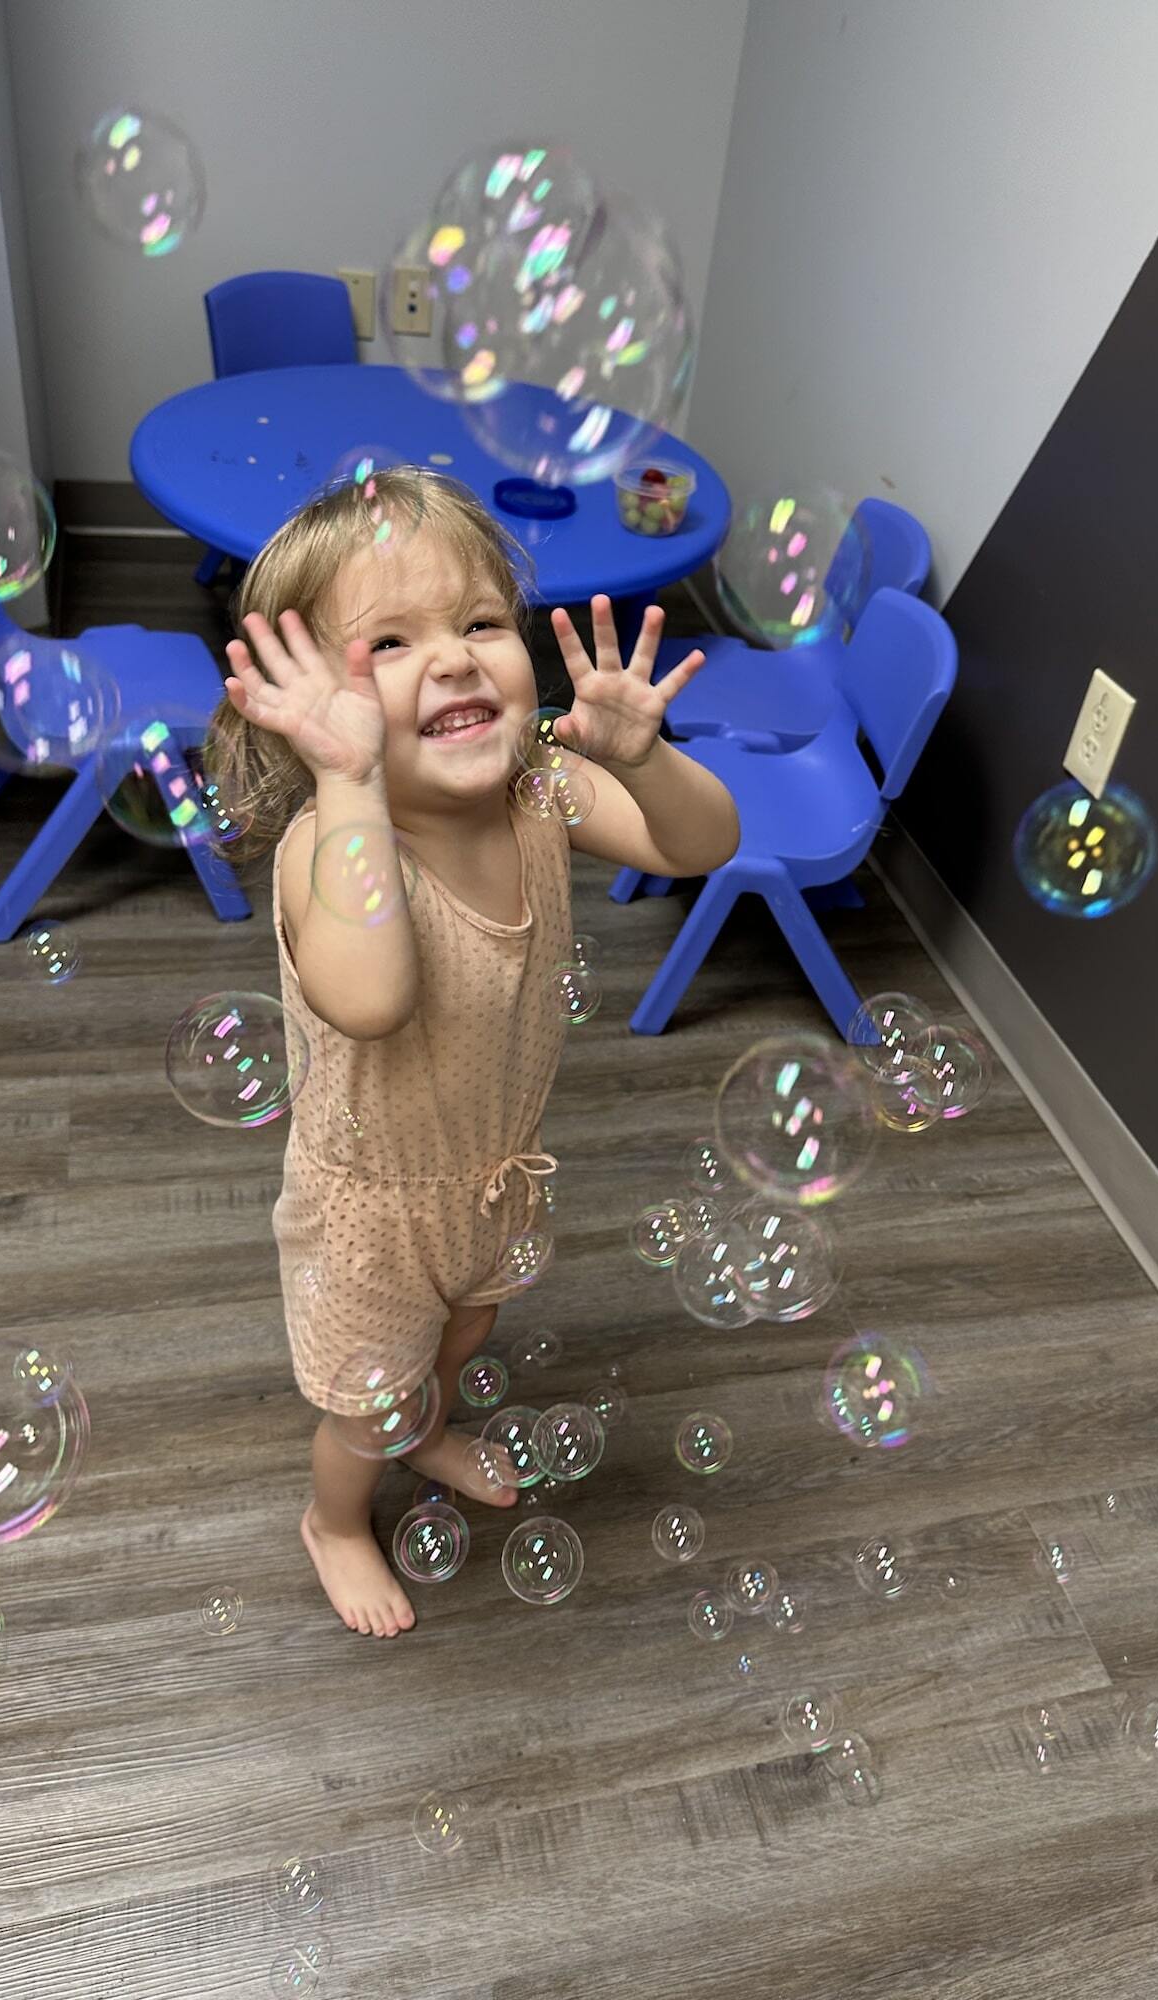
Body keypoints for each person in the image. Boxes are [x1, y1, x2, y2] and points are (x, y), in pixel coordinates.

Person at [211, 466, 739, 1637]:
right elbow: (372, 997)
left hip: (492, 1169)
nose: (453, 658)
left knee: (467, 1329)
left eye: (481, 623)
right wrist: (349, 778)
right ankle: (336, 1520)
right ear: (308, 703)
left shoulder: (539, 782)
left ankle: (434, 1426)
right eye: (388, 642)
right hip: (373, 1207)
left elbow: (700, 844)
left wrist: (645, 758)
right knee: (367, 1402)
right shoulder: (328, 847)